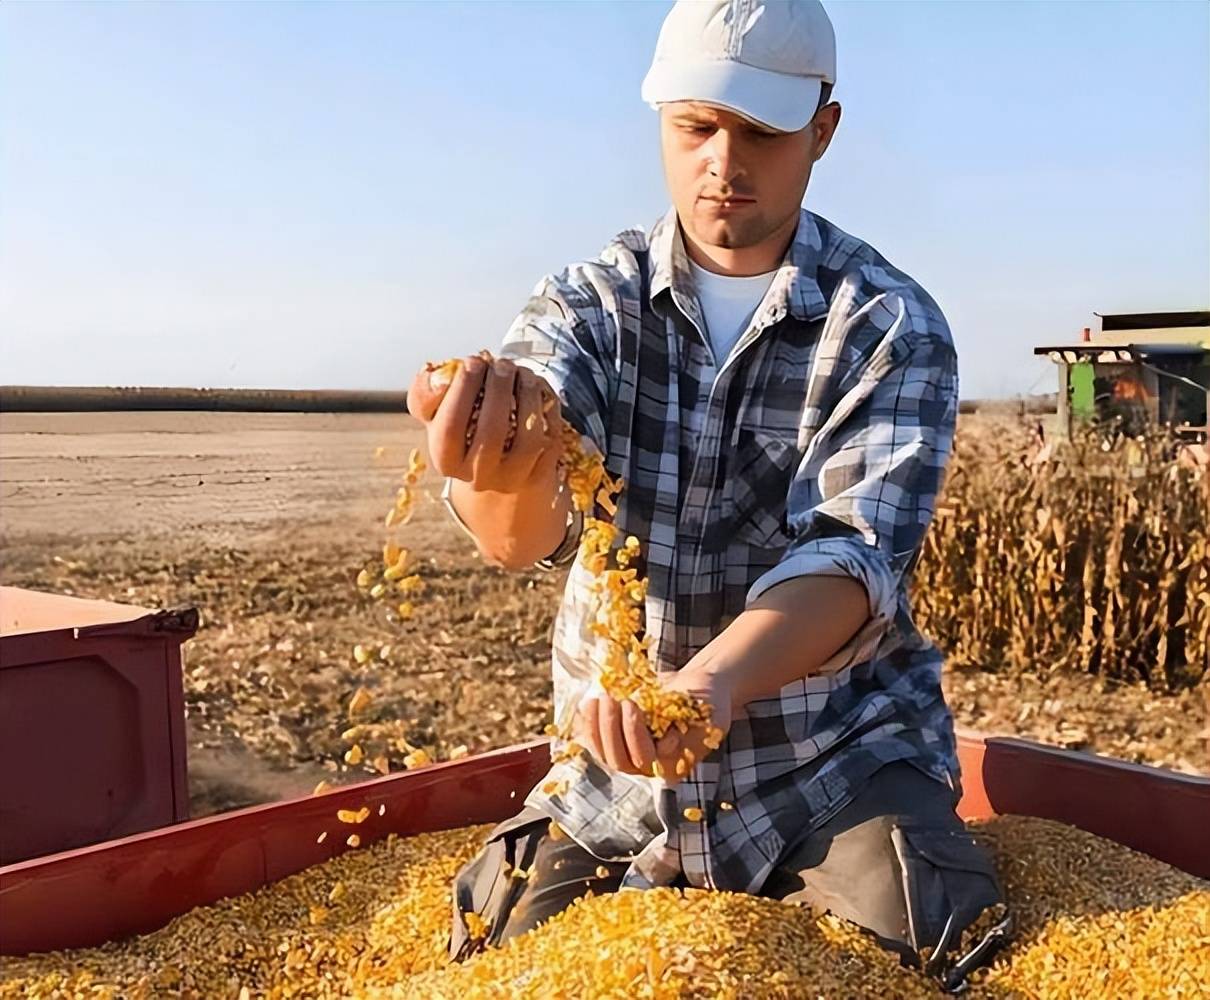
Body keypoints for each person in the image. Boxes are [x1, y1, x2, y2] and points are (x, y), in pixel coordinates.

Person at [406, 0, 1008, 988]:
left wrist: (712, 682)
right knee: (499, 944)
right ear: (661, 122)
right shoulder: (588, 309)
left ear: (822, 130)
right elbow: (521, 534)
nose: (723, 163)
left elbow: (851, 558)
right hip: (617, 776)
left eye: (761, 133)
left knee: (916, 935)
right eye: (695, 127)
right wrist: (497, 465)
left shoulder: (888, 327)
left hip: (827, 761)